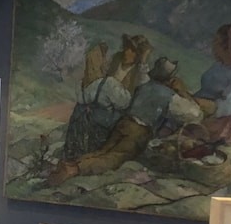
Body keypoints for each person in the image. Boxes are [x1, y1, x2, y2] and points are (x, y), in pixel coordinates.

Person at [48, 57, 202, 185]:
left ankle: (69, 163)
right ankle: (73, 170)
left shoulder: (144, 83)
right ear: (170, 78)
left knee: (103, 150)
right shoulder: (169, 95)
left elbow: (140, 73)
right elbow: (196, 115)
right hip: (139, 131)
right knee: (115, 158)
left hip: (123, 123)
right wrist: (182, 91)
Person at [194, 23, 231, 145]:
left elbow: (228, 107)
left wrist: (201, 103)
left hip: (219, 120)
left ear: (228, 47)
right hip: (200, 106)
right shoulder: (217, 66)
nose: (213, 45)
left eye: (216, 42)